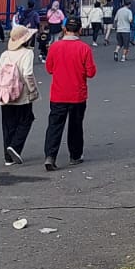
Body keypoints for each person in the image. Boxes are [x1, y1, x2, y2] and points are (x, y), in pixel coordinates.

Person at [43, 16, 97, 170]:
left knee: (54, 125)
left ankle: (50, 155)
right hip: (77, 93)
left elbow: (49, 69)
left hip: (58, 93)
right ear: (80, 30)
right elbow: (91, 72)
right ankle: (75, 155)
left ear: (64, 29)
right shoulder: (84, 48)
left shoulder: (54, 47)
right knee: (75, 125)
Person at [0, 23, 40, 164]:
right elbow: (27, 74)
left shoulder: (5, 54)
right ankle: (15, 146)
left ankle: (8, 157)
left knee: (8, 124)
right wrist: (33, 90)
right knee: (26, 119)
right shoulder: (27, 53)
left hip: (5, 93)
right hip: (22, 93)